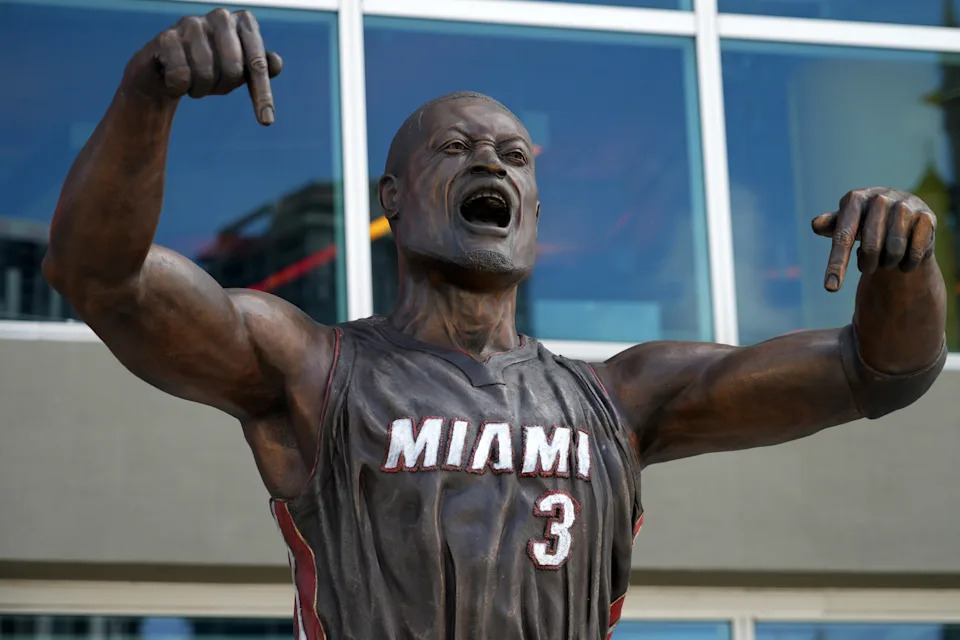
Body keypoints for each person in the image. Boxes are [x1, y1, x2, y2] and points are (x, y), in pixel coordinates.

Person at [43, 9, 947, 640]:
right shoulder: (314, 370)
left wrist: (905, 270)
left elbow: (879, 373)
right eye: (457, 148)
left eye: (514, 155)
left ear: (535, 210)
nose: (492, 163)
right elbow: (101, 279)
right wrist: (146, 96)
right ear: (394, 199)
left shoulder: (619, 400)